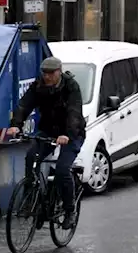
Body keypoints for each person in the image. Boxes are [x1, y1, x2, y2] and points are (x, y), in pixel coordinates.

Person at [6, 57, 85, 229]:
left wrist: (67, 134)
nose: (47, 76)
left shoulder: (71, 87)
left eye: (51, 73)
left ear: (59, 71)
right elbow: (24, 105)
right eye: (45, 73)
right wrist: (15, 125)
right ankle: (31, 200)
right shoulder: (38, 86)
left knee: (62, 170)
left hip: (71, 133)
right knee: (30, 157)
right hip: (49, 131)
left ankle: (70, 210)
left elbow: (74, 112)